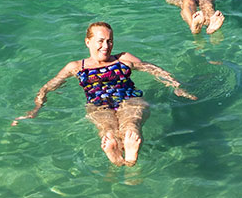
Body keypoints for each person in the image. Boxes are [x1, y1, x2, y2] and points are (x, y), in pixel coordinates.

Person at [14, 21, 195, 166]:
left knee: (131, 125)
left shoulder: (123, 58)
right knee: (108, 132)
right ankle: (118, 157)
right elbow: (48, 87)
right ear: (88, 42)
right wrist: (36, 108)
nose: (106, 46)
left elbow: (153, 69)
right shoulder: (76, 67)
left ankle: (130, 156)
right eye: (100, 41)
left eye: (109, 41)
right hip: (98, 105)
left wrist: (176, 85)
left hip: (130, 99)